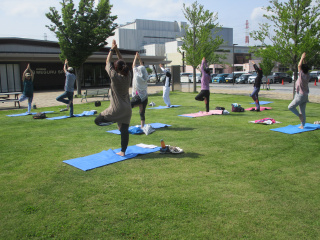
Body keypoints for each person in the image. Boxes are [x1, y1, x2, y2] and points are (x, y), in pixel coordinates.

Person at [94, 40, 132, 156]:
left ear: (116, 69)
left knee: (97, 121)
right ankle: (123, 151)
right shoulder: (128, 75)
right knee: (124, 130)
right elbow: (123, 62)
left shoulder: (114, 76)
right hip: (127, 109)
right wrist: (117, 50)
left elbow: (107, 61)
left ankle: (115, 120)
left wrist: (111, 49)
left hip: (116, 108)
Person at [288, 52, 310, 129]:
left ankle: (299, 116)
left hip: (300, 95)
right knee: (302, 110)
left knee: (290, 107)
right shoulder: (307, 74)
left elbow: (299, 65)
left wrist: (301, 57)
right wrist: (304, 59)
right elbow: (305, 66)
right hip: (305, 95)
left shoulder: (301, 75)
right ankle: (302, 125)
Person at [131, 52, 148, 127]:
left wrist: (136, 57)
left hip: (138, 97)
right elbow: (142, 67)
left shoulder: (137, 77)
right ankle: (142, 126)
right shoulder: (145, 77)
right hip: (145, 97)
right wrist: (139, 58)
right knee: (142, 112)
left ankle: (122, 124)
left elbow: (133, 66)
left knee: (127, 105)